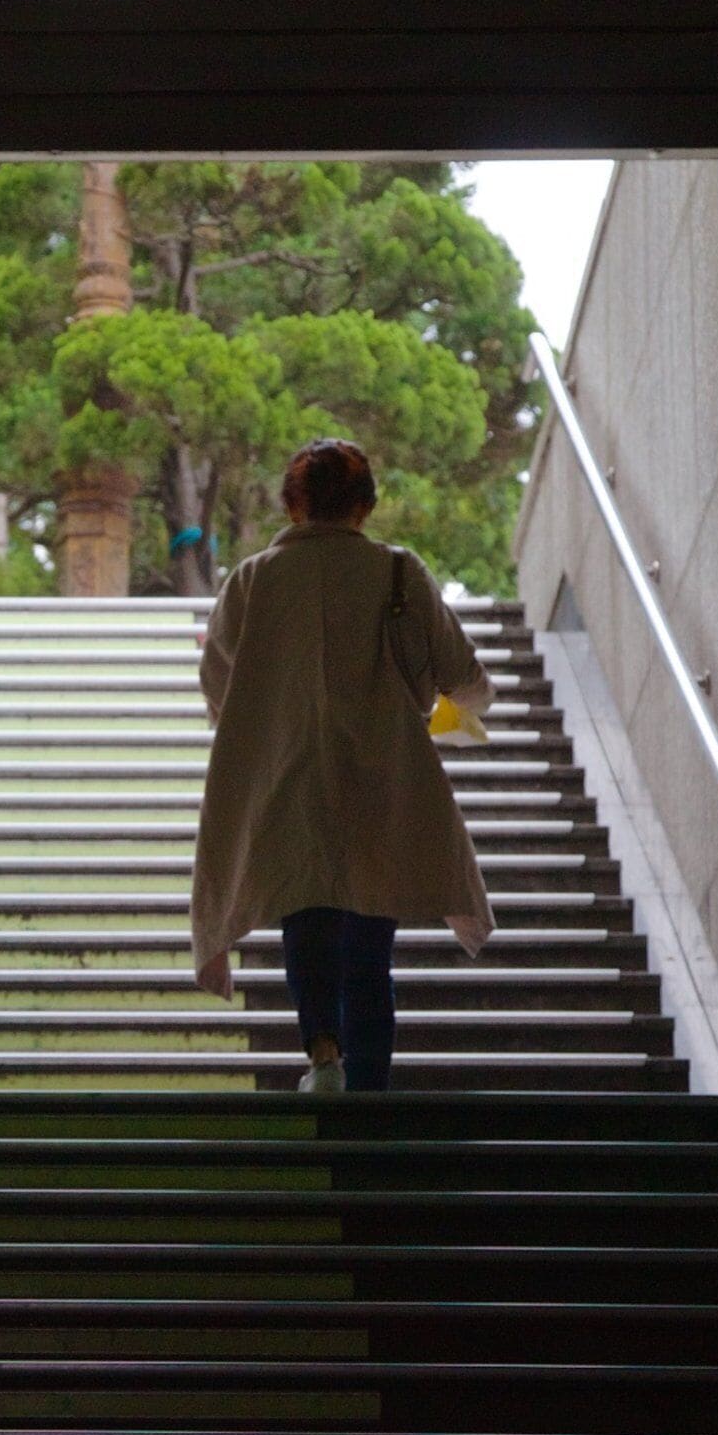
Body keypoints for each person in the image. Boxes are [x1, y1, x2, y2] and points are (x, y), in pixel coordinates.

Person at [188, 438, 497, 1094]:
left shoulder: (252, 578)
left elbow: (217, 682)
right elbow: (458, 671)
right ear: (365, 504)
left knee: (306, 912)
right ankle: (369, 1091)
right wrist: (472, 705)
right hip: (378, 771)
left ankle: (322, 1054)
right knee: (368, 938)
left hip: (288, 772)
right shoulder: (395, 571)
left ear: (291, 504)